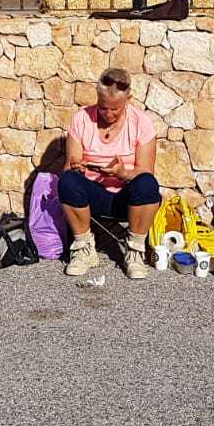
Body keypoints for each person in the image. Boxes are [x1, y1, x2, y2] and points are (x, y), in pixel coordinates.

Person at [59, 66, 161, 280]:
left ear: (128, 100)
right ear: (97, 97)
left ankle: (134, 252)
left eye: (115, 109)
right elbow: (69, 165)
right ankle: (83, 249)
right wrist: (78, 166)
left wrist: (122, 172)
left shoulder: (140, 122)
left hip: (126, 197)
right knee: (68, 180)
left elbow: (145, 171)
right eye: (104, 107)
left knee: (147, 185)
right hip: (92, 193)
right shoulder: (81, 119)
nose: (108, 114)